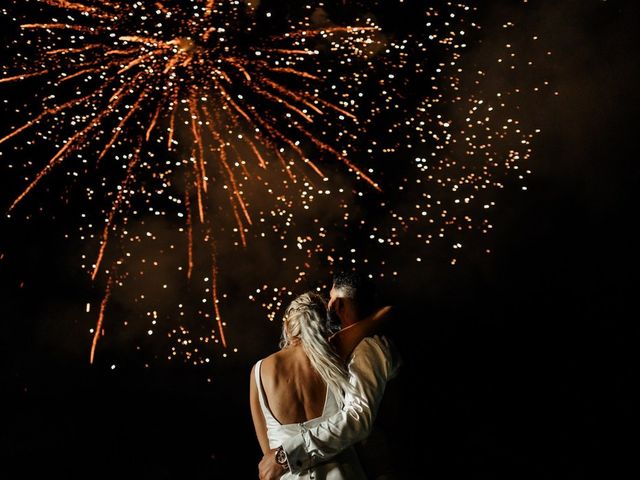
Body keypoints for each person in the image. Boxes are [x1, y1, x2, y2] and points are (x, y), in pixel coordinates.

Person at [258, 273, 402, 480]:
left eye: (335, 302)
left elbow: (357, 419)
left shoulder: (367, 348)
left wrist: (285, 456)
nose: (331, 310)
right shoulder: (341, 352)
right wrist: (377, 318)